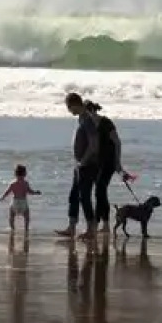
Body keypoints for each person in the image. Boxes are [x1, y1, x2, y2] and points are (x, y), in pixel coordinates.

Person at [55, 92, 101, 240]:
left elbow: (94, 144)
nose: (69, 111)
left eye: (69, 107)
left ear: (74, 104)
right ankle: (71, 227)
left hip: (88, 165)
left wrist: (84, 161)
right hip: (80, 165)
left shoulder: (87, 120)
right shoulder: (81, 119)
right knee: (74, 196)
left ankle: (91, 229)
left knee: (84, 197)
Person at [0, 164, 41, 234]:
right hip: (23, 202)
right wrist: (36, 192)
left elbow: (7, 192)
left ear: (15, 174)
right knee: (26, 216)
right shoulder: (25, 183)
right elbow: (30, 191)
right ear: (25, 174)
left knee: (12, 216)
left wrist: (2, 197)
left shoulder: (13, 183)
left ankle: (12, 228)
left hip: (15, 202)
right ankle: (26, 228)